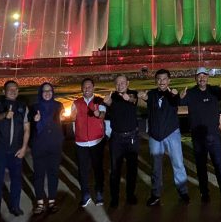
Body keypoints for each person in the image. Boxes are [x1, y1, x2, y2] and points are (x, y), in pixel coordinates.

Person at [180, 67, 221, 202]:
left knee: (218, 164)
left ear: (208, 77)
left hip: (213, 134)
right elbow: (180, 102)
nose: (202, 78)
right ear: (196, 78)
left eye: (204, 76)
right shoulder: (191, 92)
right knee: (201, 166)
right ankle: (204, 193)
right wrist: (180, 96)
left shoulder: (214, 90)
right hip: (198, 136)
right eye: (199, 76)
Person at [138, 69, 190, 206]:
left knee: (178, 163)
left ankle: (183, 191)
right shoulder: (151, 94)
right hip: (155, 135)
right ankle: (155, 194)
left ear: (169, 81)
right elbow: (145, 99)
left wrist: (180, 96)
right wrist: (142, 96)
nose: (161, 82)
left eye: (164, 79)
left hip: (172, 133)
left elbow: (176, 101)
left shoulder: (172, 94)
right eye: (159, 79)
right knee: (156, 167)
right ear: (156, 81)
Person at [0, 80, 30, 221]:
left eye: (16, 89)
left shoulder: (23, 107)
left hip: (16, 152)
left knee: (16, 181)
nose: (13, 91)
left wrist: (24, 148)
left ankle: (15, 207)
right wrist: (4, 115)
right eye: (10, 89)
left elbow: (27, 129)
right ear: (3, 91)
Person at [104, 74, 139, 207]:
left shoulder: (132, 94)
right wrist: (109, 104)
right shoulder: (111, 97)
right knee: (115, 170)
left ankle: (130, 195)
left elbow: (134, 100)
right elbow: (109, 111)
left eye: (123, 82)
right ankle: (115, 198)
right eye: (117, 83)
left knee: (132, 169)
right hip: (117, 138)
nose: (120, 85)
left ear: (127, 83)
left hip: (132, 137)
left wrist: (128, 98)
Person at [71, 77, 106, 208]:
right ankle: (85, 194)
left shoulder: (99, 101)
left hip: (97, 140)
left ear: (93, 88)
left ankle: (99, 193)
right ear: (81, 88)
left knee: (98, 169)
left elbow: (102, 114)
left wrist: (98, 114)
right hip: (81, 143)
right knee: (83, 170)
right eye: (84, 87)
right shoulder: (76, 102)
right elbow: (72, 118)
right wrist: (70, 116)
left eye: (89, 87)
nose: (86, 89)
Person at [30, 82, 64, 214]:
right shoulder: (34, 107)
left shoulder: (58, 105)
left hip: (54, 144)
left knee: (53, 173)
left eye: (49, 90)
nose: (47, 93)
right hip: (39, 145)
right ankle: (39, 202)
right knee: (39, 174)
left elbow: (60, 122)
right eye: (44, 91)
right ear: (40, 93)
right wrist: (35, 120)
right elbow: (29, 126)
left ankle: (52, 201)